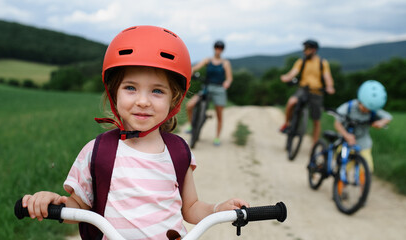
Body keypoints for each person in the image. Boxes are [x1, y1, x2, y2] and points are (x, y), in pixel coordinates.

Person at [21, 26, 248, 240]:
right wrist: (55, 204)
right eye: (130, 88)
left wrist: (218, 209)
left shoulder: (178, 152)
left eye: (157, 91)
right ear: (114, 92)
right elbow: (80, 208)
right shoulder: (98, 151)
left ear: (174, 100)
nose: (142, 101)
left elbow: (190, 208)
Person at [280, 39, 335, 144]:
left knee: (316, 121)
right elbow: (293, 72)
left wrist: (330, 86)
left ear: (313, 50)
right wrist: (287, 77)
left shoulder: (322, 63)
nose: (304, 51)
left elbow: (327, 76)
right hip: (303, 89)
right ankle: (287, 124)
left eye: (307, 49)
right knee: (291, 102)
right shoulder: (302, 61)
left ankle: (314, 145)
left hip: (316, 92)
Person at [334, 80, 392, 172]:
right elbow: (337, 124)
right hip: (346, 141)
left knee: (367, 169)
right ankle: (340, 183)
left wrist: (381, 122)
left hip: (363, 142)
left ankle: (363, 184)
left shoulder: (373, 109)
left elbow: (388, 117)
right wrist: (347, 136)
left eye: (370, 110)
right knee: (342, 167)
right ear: (360, 100)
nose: (366, 111)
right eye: (365, 108)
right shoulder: (348, 107)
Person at [185, 40, 233, 146]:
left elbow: (229, 78)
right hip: (207, 87)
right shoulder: (207, 60)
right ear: (214, 48)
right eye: (217, 47)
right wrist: (190, 71)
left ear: (222, 50)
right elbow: (196, 67)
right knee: (190, 105)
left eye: (220, 48)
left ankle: (217, 137)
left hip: (219, 89)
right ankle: (191, 125)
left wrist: (227, 83)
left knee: (219, 114)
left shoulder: (225, 63)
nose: (218, 49)